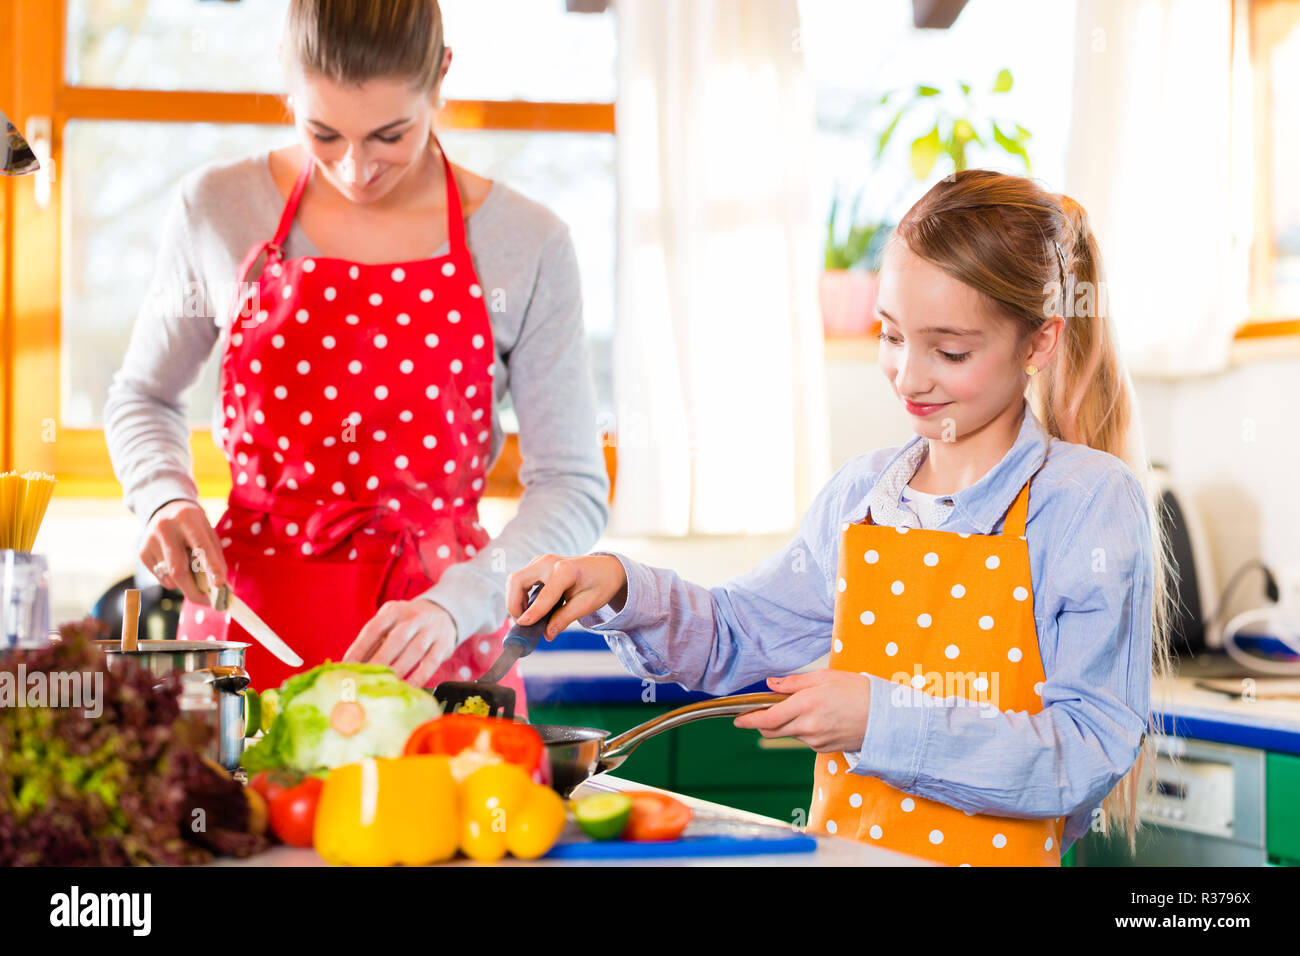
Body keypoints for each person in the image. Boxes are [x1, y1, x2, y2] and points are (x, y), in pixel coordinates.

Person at [506, 169, 1174, 866]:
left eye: (949, 351)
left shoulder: (1087, 499)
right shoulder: (864, 496)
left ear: (1038, 343)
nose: (909, 376)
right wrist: (617, 584)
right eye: (890, 336)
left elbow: (1086, 746)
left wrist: (882, 721)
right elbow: (737, 635)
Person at [105, 0, 609, 711]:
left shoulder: (527, 242)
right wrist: (163, 494)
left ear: (440, 77)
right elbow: (142, 397)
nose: (355, 168)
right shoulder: (218, 207)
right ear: (288, 87)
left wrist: (458, 604)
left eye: (389, 135)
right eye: (323, 132)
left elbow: (572, 484)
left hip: (440, 643)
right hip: (247, 633)